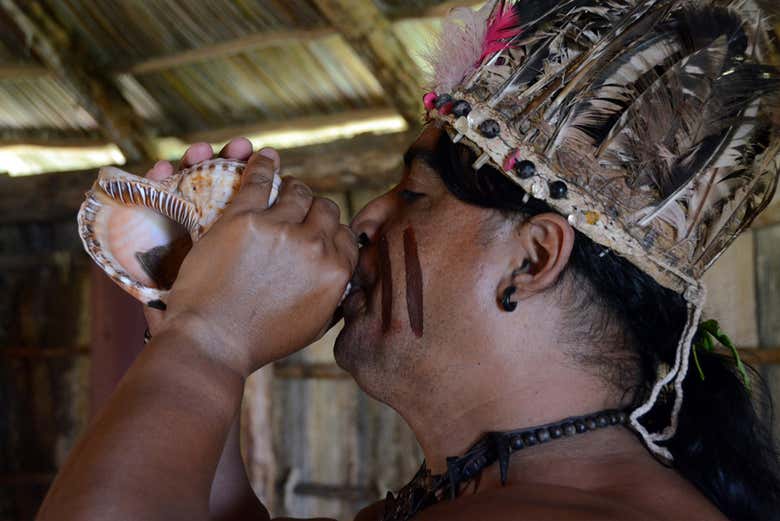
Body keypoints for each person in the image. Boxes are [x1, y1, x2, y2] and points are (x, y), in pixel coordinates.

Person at [38, 1, 780, 520]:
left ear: (534, 257)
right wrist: (188, 311)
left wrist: (210, 339)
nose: (367, 217)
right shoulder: (485, 491)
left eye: (415, 194)